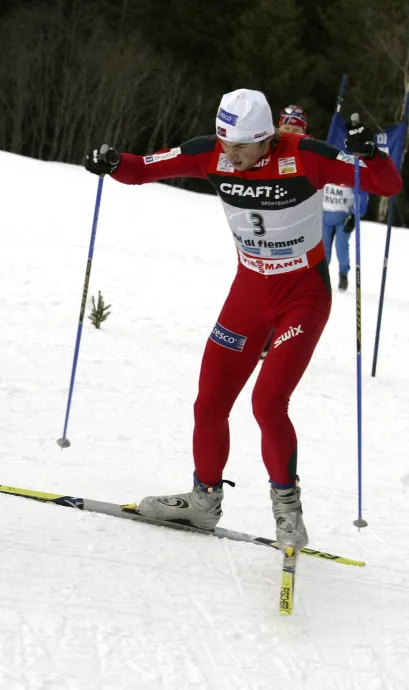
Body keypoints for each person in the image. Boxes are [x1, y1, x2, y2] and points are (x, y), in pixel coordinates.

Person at [83, 89, 402, 551]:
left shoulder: (306, 157)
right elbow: (141, 170)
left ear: (267, 139)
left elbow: (386, 185)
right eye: (224, 141)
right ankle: (202, 501)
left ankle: (289, 514)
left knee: (268, 403)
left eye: (242, 146)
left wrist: (370, 153)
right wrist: (112, 163)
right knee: (209, 401)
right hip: (250, 292)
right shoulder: (211, 153)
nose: (231, 155)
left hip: (302, 295)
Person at [277, 105, 367, 293]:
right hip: (324, 215)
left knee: (342, 247)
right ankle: (321, 277)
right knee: (323, 249)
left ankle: (343, 274)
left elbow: (361, 192)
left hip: (343, 216)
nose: (291, 134)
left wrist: (355, 214)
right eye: (287, 129)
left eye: (296, 130)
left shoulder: (345, 165)